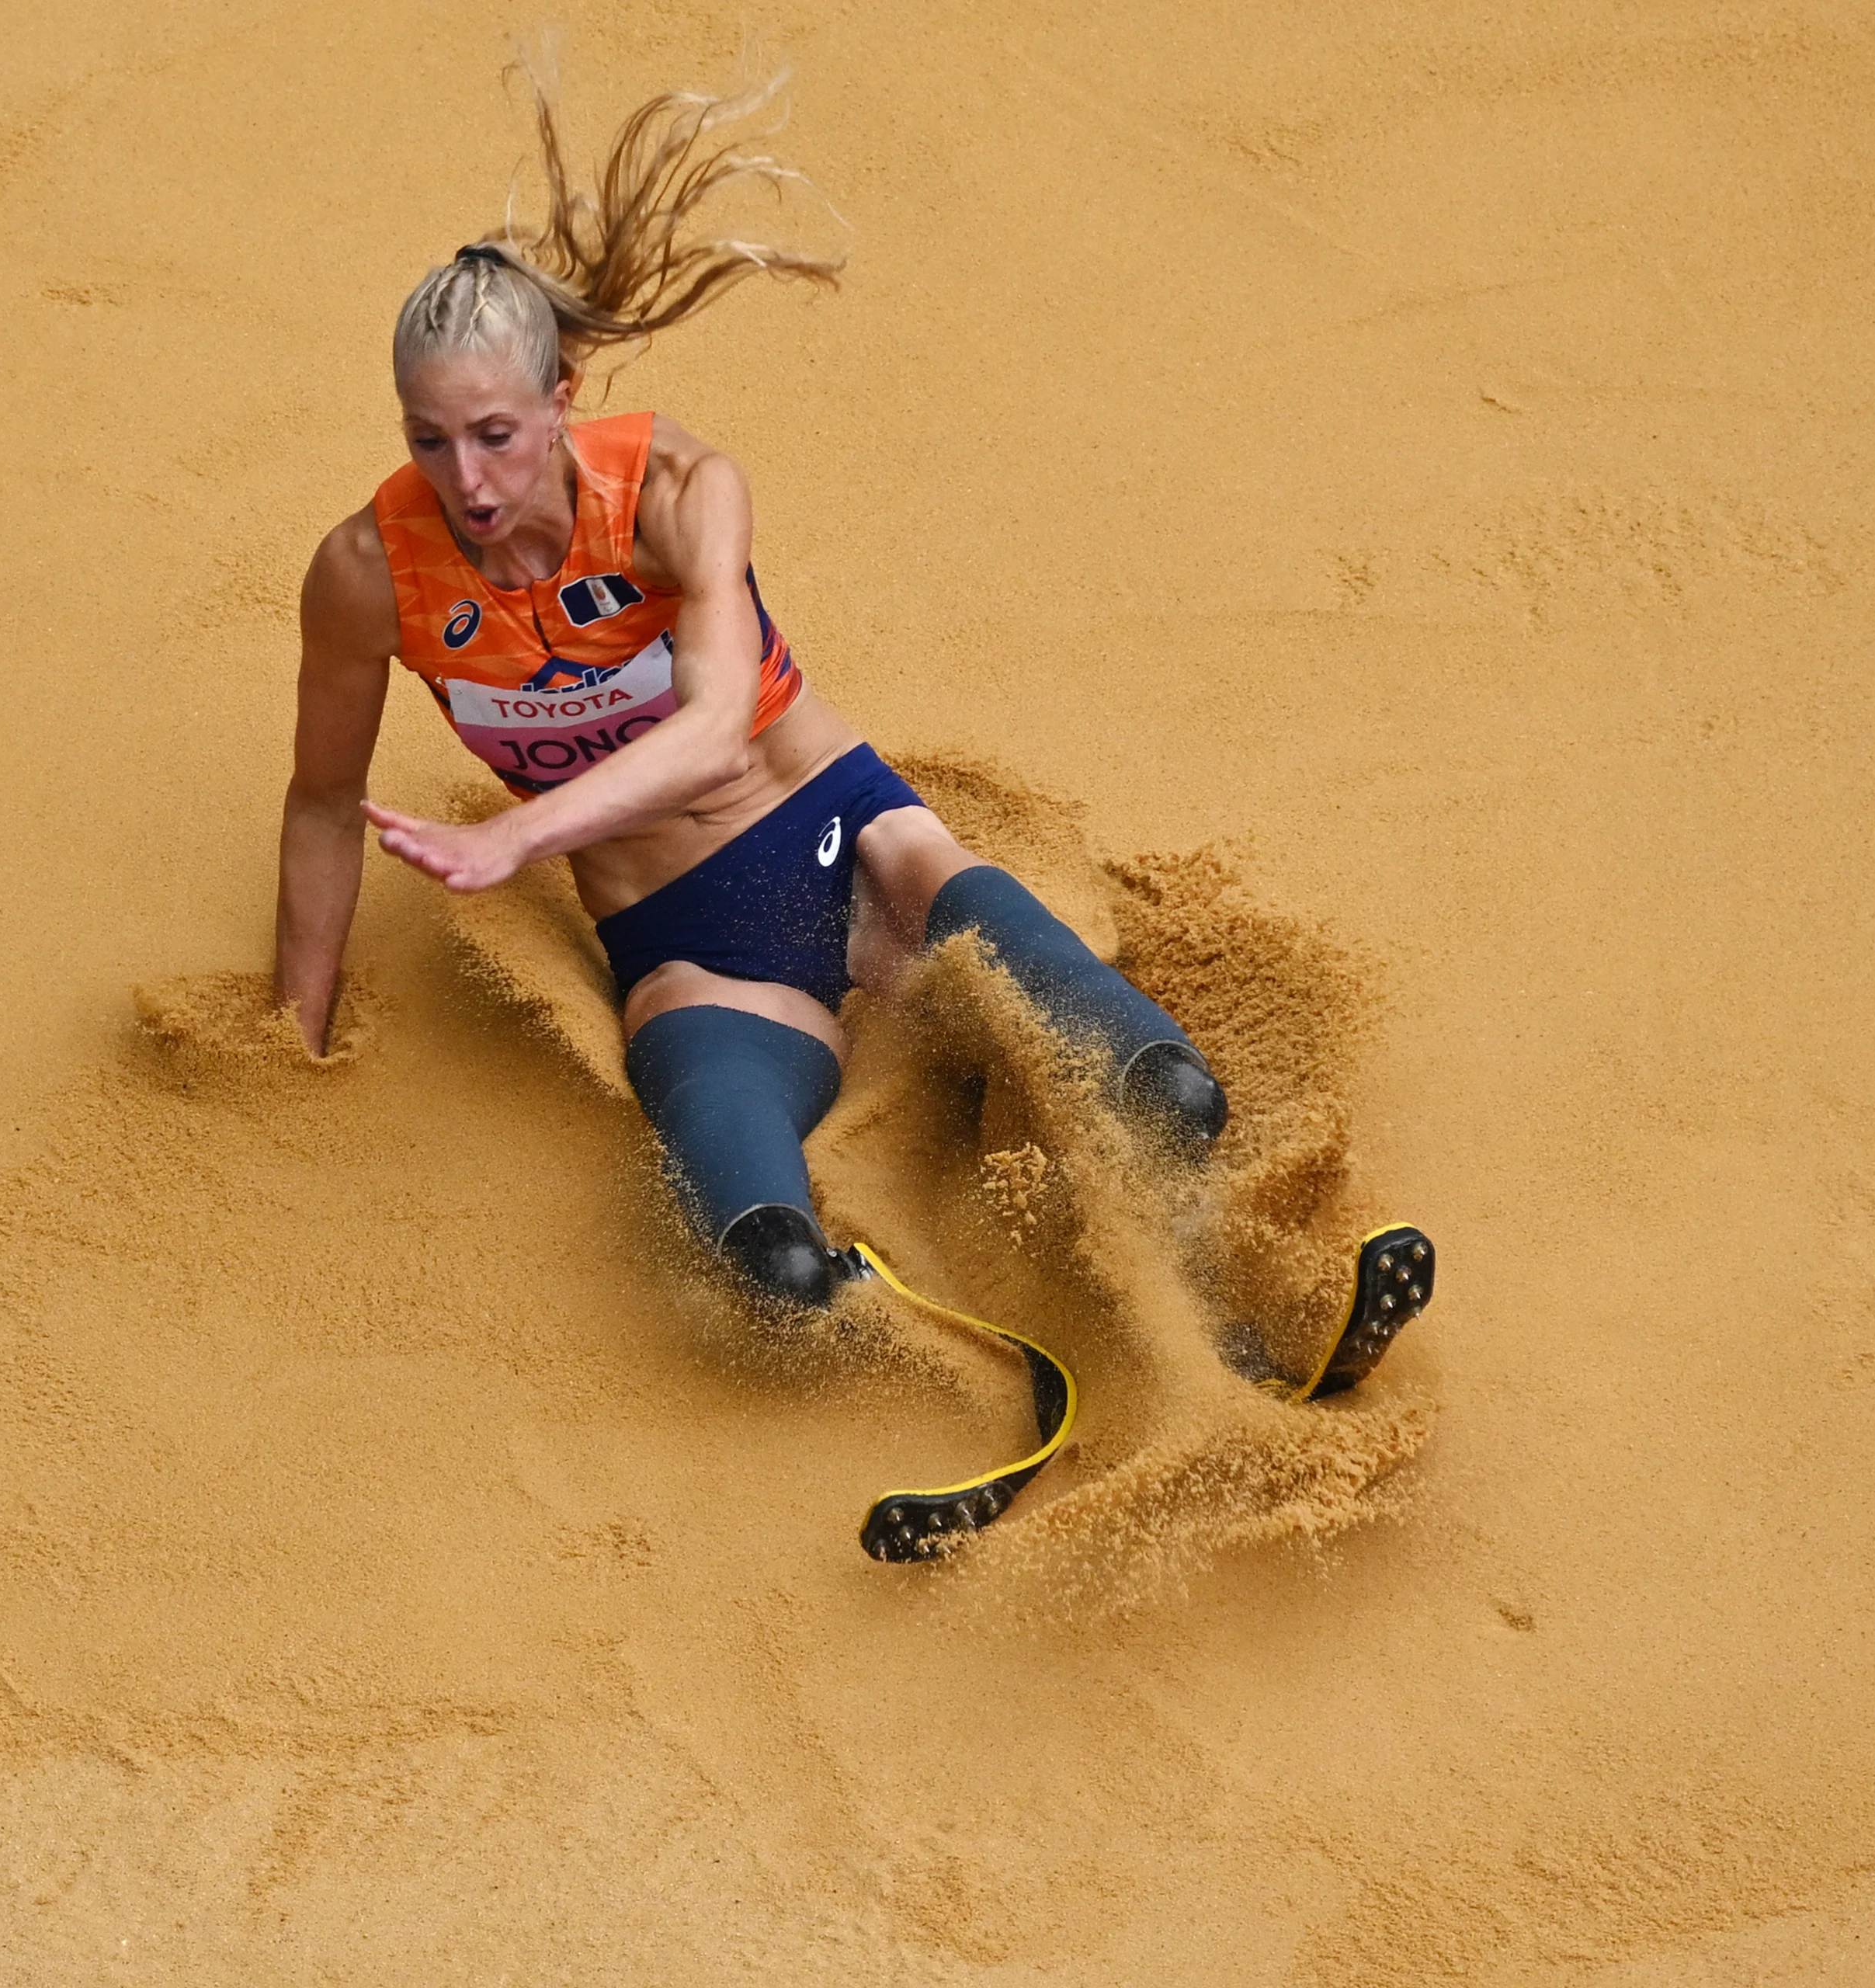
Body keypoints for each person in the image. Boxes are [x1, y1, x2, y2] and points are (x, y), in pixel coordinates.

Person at [271, 76, 1229, 1309]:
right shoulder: (368, 575)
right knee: (766, 1261)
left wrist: (518, 835)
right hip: (689, 947)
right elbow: (321, 804)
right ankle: (882, 1315)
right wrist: (291, 1045)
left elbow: (720, 726)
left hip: (847, 842)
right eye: (428, 440)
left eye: (496, 434)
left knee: (1154, 1085)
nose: (468, 481)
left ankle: (1227, 1251)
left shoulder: (677, 490)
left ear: (563, 397)